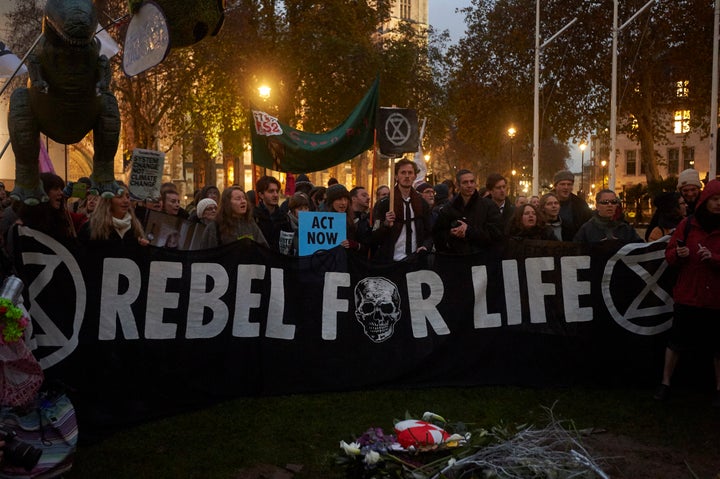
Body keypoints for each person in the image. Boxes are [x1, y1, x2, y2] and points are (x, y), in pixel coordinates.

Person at [654, 179, 720, 407]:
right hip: (688, 293)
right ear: (706, 200)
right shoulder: (688, 224)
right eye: (715, 199)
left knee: (717, 346)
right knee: (676, 341)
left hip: (715, 297)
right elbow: (670, 253)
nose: (718, 204)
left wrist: (714, 260)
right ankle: (665, 383)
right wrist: (678, 254)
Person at [371, 159, 433, 261]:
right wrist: (385, 224)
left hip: (416, 259)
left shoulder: (422, 203)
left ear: (415, 176)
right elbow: (373, 236)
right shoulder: (385, 204)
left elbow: (429, 232)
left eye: (410, 173)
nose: (407, 176)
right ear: (396, 176)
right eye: (403, 173)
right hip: (391, 260)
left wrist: (425, 246)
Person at [433, 169, 503, 254]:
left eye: (472, 182)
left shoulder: (489, 206)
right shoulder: (448, 208)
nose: (469, 185)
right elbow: (438, 235)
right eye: (465, 182)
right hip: (456, 259)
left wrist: (469, 231)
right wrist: (451, 233)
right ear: (458, 185)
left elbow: (496, 234)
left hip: (481, 259)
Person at [79, 187, 149, 246]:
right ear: (107, 201)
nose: (126, 201)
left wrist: (143, 248)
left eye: (128, 197)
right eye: (119, 197)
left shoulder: (135, 226)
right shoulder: (91, 227)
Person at [573, 189, 642, 244]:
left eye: (613, 202)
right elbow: (577, 252)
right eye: (605, 202)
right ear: (597, 206)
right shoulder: (587, 229)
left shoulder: (626, 229)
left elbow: (639, 248)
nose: (610, 205)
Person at [325, 184, 367, 253]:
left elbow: (365, 247)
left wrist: (353, 244)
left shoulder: (356, 220)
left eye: (345, 199)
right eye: (339, 199)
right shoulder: (322, 222)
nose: (343, 203)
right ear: (331, 202)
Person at [553, 169, 592, 239]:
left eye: (569, 184)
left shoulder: (580, 204)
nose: (566, 187)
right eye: (562, 184)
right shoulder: (546, 202)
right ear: (555, 186)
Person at [253, 175, 283, 251]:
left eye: (277, 191)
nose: (276, 195)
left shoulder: (284, 217)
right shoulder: (253, 217)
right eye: (271, 191)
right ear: (261, 195)